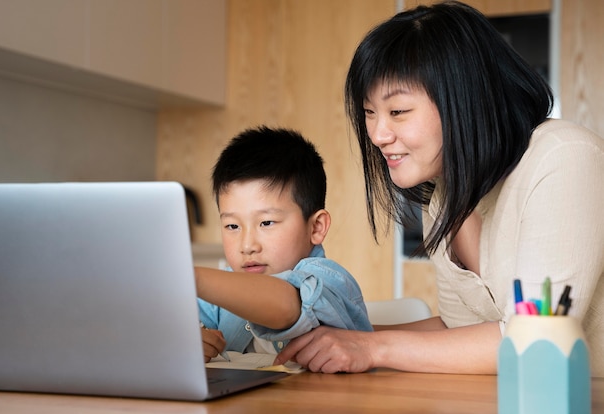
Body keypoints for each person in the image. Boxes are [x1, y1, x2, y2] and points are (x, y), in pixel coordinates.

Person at [274, 1, 604, 376]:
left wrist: (372, 346)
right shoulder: (444, 197)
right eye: (369, 112)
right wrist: (341, 338)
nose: (378, 135)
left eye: (397, 111)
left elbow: (536, 341)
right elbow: (463, 332)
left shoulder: (562, 157)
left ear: (465, 99)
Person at [196, 126, 373, 362]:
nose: (247, 245)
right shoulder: (216, 294)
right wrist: (188, 342)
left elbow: (288, 304)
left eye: (266, 222)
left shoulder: (331, 281)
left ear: (316, 227)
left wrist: (191, 278)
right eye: (232, 226)